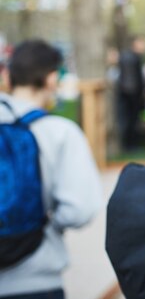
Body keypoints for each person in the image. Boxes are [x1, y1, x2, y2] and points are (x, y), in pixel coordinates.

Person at [0, 40, 102, 298]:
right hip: (36, 280)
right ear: (51, 78)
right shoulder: (60, 132)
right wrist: (44, 220)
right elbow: (80, 210)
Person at [116, 35, 145, 150]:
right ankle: (130, 145)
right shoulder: (133, 58)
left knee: (129, 120)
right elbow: (134, 79)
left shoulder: (127, 56)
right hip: (131, 94)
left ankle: (129, 144)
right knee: (131, 120)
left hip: (127, 93)